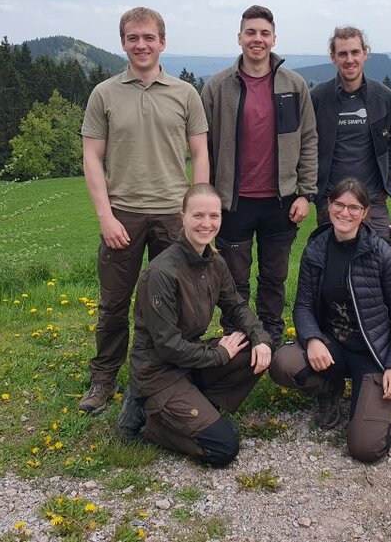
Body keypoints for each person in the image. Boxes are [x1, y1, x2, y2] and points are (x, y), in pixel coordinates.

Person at [78, 7, 210, 414]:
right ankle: (103, 379)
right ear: (123, 43)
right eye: (133, 38)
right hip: (124, 214)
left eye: (148, 37)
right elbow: (91, 156)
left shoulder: (185, 93)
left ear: (162, 42)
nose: (141, 45)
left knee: (176, 304)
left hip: (174, 216)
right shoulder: (104, 93)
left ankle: (174, 372)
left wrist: (198, 214)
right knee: (114, 303)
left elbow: (201, 152)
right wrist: (105, 217)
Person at [115, 183, 273, 467]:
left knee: (254, 351)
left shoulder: (215, 262)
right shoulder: (161, 274)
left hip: (190, 362)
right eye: (198, 215)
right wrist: (219, 355)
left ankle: (196, 405)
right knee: (225, 447)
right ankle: (152, 422)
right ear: (183, 216)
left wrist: (260, 337)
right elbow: (167, 346)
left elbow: (235, 306)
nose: (207, 223)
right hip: (159, 371)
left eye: (214, 216)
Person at [269, 178, 391, 463]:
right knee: (282, 364)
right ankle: (330, 387)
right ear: (329, 206)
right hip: (332, 347)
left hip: (373, 354)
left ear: (365, 212)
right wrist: (311, 339)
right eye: (339, 205)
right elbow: (303, 305)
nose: (345, 213)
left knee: (365, 448)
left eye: (353, 207)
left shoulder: (383, 254)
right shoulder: (317, 249)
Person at [201, 5, 318, 346]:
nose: (257, 39)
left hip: (281, 201)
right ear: (239, 38)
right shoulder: (218, 87)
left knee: (274, 277)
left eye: (264, 33)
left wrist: (305, 193)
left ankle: (272, 338)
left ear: (274, 39)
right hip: (232, 201)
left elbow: (308, 139)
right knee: (234, 279)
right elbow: (203, 144)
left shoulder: (293, 85)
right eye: (250, 32)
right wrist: (208, 195)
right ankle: (237, 338)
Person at [311, 26, 391, 263]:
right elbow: (306, 144)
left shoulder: (383, 97)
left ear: (366, 53)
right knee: (331, 266)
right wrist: (316, 191)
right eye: (343, 54)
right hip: (331, 202)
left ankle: (385, 303)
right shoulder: (318, 98)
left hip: (372, 199)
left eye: (355, 52)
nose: (350, 59)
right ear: (333, 57)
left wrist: (389, 181)